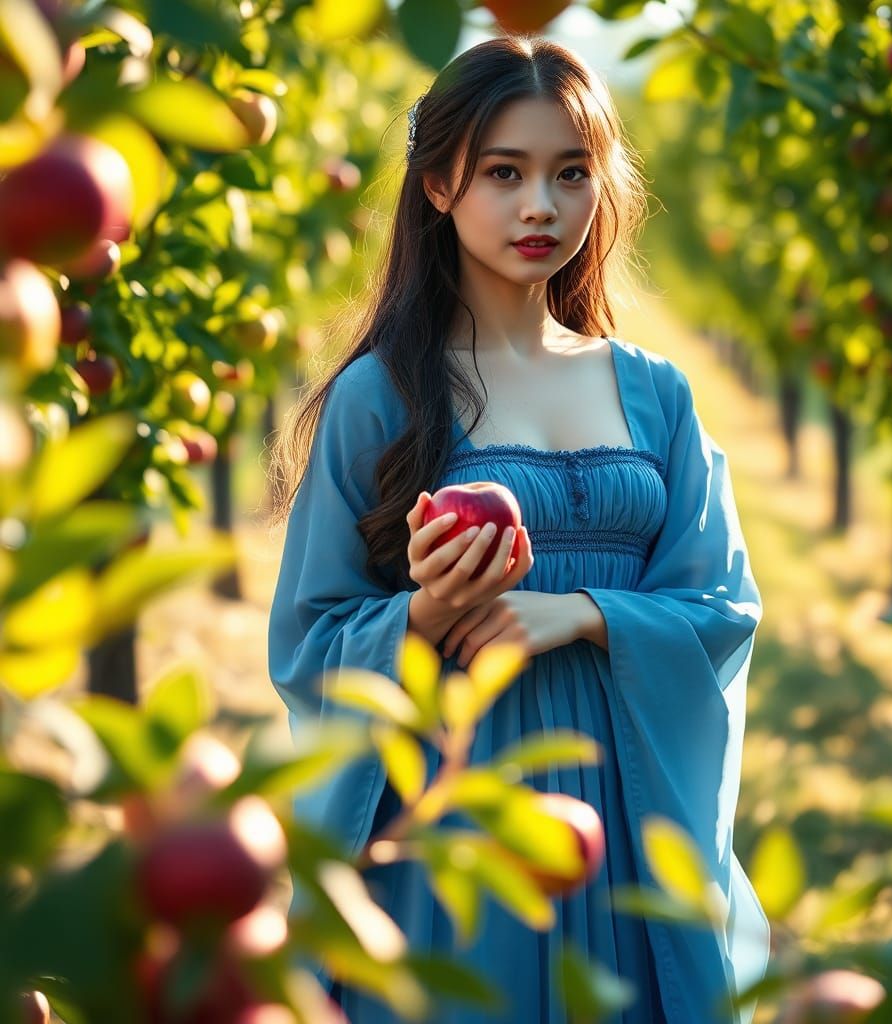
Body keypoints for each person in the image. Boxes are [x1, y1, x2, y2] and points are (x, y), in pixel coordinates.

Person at [266, 34, 769, 1024]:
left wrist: (579, 611)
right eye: (506, 172)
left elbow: (720, 603)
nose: (541, 205)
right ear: (441, 183)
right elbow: (310, 636)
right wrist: (421, 611)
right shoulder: (383, 398)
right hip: (459, 813)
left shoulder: (654, 394)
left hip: (622, 802)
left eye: (569, 172)